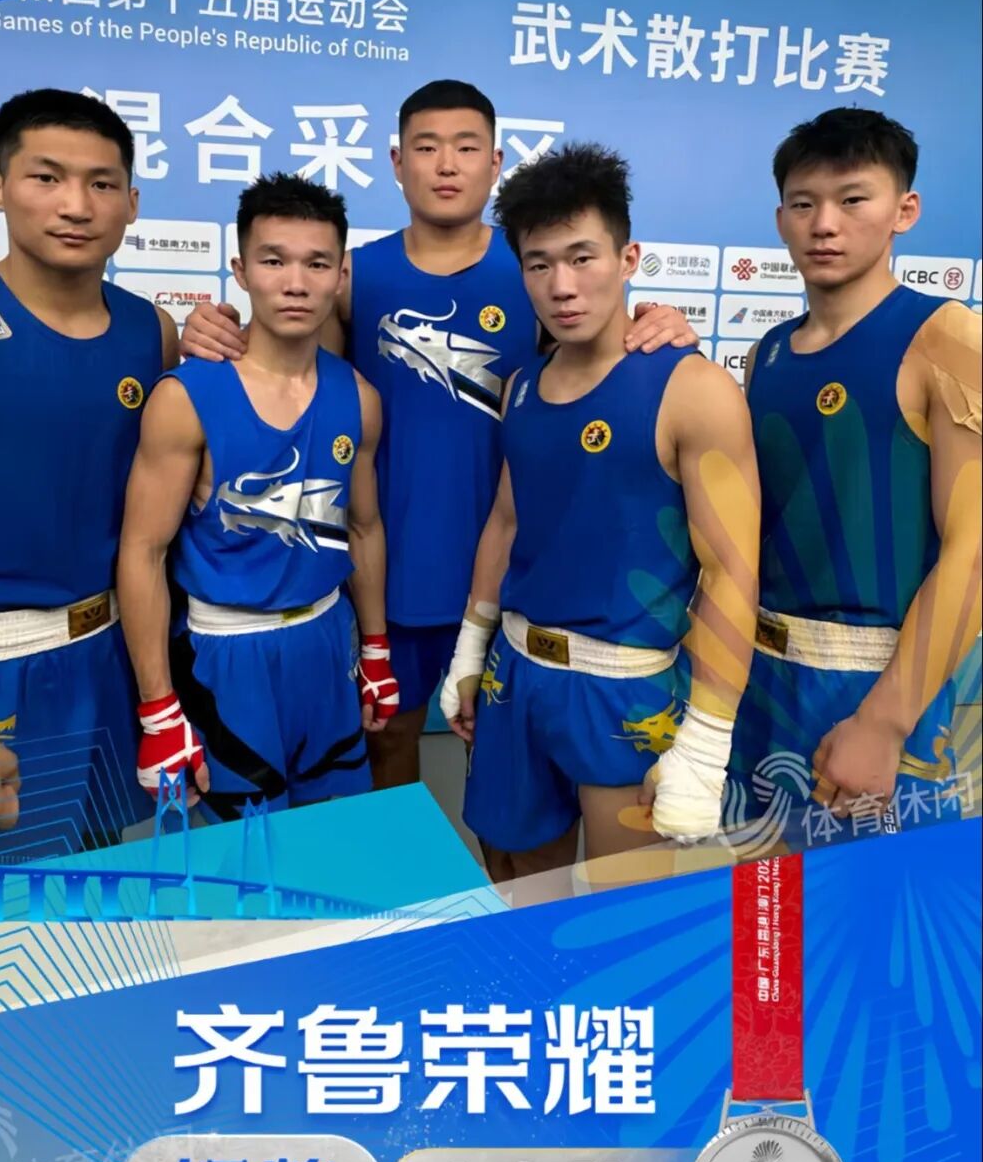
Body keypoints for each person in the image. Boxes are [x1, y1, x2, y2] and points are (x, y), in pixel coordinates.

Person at [180, 80, 696, 790]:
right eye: (426, 148)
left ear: (496, 162)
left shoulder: (536, 270)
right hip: (388, 570)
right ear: (397, 162)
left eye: (466, 147)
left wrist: (660, 323)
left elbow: (602, 361)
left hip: (514, 571)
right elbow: (290, 372)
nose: (447, 164)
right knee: (386, 745)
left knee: (505, 757)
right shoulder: (353, 274)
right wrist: (214, 330)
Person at [440, 143, 760, 882]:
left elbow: (733, 572)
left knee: (621, 915)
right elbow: (507, 522)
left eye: (582, 257)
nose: (562, 285)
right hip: (515, 673)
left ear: (628, 258)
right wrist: (469, 649)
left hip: (626, 685)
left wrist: (706, 742)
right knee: (517, 890)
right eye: (540, 264)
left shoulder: (693, 389)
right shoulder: (521, 387)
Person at [0, 88, 176, 868]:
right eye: (46, 177)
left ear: (131, 203)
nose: (76, 206)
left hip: (107, 662)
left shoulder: (151, 330)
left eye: (101, 183)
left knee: (91, 900)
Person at [731, 107, 981, 830]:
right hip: (759, 676)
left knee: (871, 897)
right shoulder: (767, 353)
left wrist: (884, 722)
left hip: (880, 684)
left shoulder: (947, 337)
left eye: (852, 200)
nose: (824, 225)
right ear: (780, 219)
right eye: (803, 204)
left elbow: (973, 551)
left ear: (905, 210)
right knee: (763, 894)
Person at [117, 173, 396, 819]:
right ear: (241, 270)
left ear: (340, 275)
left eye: (316, 263)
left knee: (333, 839)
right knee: (237, 860)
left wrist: (376, 650)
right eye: (274, 261)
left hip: (326, 643)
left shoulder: (359, 397)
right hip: (225, 657)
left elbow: (363, 528)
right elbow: (141, 551)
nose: (295, 283)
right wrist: (158, 707)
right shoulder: (187, 396)